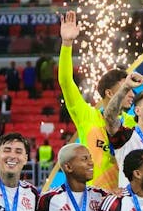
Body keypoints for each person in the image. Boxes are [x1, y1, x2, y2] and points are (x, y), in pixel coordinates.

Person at [58, 11, 136, 189]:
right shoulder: (87, 116)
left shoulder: (133, 124)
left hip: (126, 205)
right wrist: (67, 43)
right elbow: (65, 82)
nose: (131, 94)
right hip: (94, 202)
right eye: (126, 89)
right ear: (109, 93)